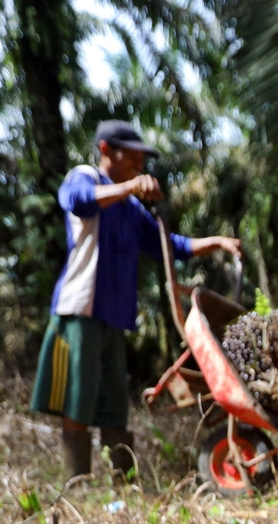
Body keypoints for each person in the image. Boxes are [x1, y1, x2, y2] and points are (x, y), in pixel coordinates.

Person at [31, 120, 242, 482]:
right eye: (133, 155)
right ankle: (77, 482)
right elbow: (78, 203)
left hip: (114, 315)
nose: (139, 164)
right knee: (78, 396)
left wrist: (216, 242)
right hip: (81, 308)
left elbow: (168, 245)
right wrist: (128, 187)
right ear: (105, 150)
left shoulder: (129, 208)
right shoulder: (85, 178)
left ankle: (123, 484)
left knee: (113, 403)